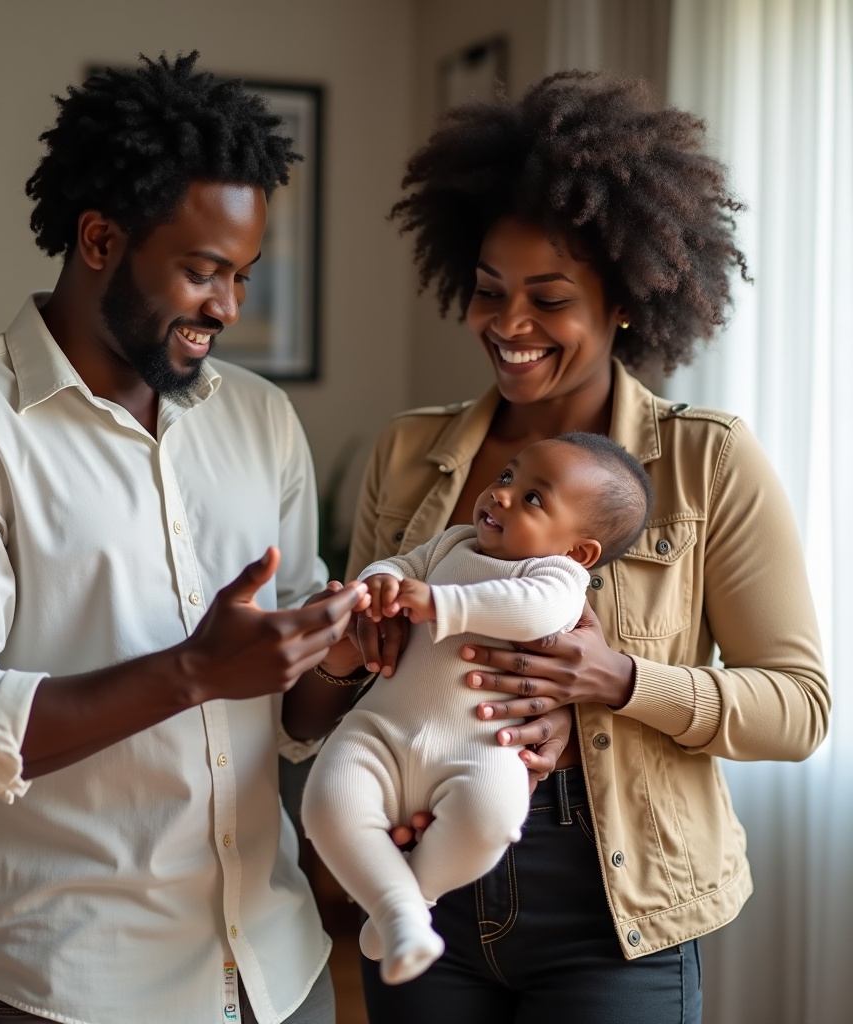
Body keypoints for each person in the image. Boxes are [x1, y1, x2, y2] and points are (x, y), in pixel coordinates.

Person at [0, 52, 378, 1024]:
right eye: (203, 272)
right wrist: (191, 672)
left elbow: (290, 715)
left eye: (244, 277)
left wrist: (331, 661)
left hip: (283, 971)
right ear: (98, 239)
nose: (227, 309)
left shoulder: (259, 422)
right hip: (81, 987)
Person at [340, 71, 829, 1023]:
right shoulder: (408, 454)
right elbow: (344, 694)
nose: (508, 326)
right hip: (424, 884)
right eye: (488, 293)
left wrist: (620, 679)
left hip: (615, 916)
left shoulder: (706, 462)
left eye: (548, 298)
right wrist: (350, 654)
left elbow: (800, 708)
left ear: (628, 301)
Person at [302, 433, 653, 987]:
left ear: (579, 551)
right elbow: (397, 562)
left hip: (484, 749)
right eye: (508, 477)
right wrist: (377, 585)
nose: (503, 495)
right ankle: (399, 911)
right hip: (381, 731)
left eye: (534, 499)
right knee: (327, 802)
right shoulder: (451, 545)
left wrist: (441, 603)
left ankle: (411, 901)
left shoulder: (558, 580)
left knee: (491, 817)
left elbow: (530, 613)